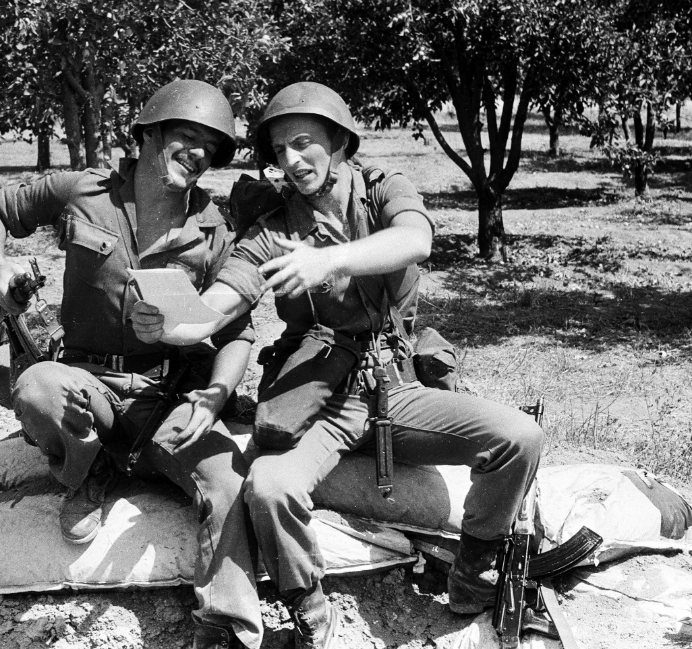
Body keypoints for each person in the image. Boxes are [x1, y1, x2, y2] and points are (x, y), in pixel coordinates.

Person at [132, 82, 544, 649]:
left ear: (341, 143)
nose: (291, 162)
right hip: (320, 397)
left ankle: (474, 567)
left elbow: (415, 240)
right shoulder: (275, 228)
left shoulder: (382, 191)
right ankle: (309, 608)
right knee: (269, 485)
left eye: (303, 144)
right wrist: (177, 323)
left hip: (394, 387)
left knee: (519, 436)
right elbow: (224, 299)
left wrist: (330, 258)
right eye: (279, 152)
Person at [0, 79, 262, 649]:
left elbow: (238, 331)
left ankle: (225, 623)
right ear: (150, 135)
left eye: (211, 146)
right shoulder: (84, 190)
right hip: (85, 381)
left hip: (166, 396)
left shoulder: (213, 228)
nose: (199, 153)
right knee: (35, 388)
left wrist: (218, 395)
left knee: (230, 483)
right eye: (186, 136)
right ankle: (88, 469)